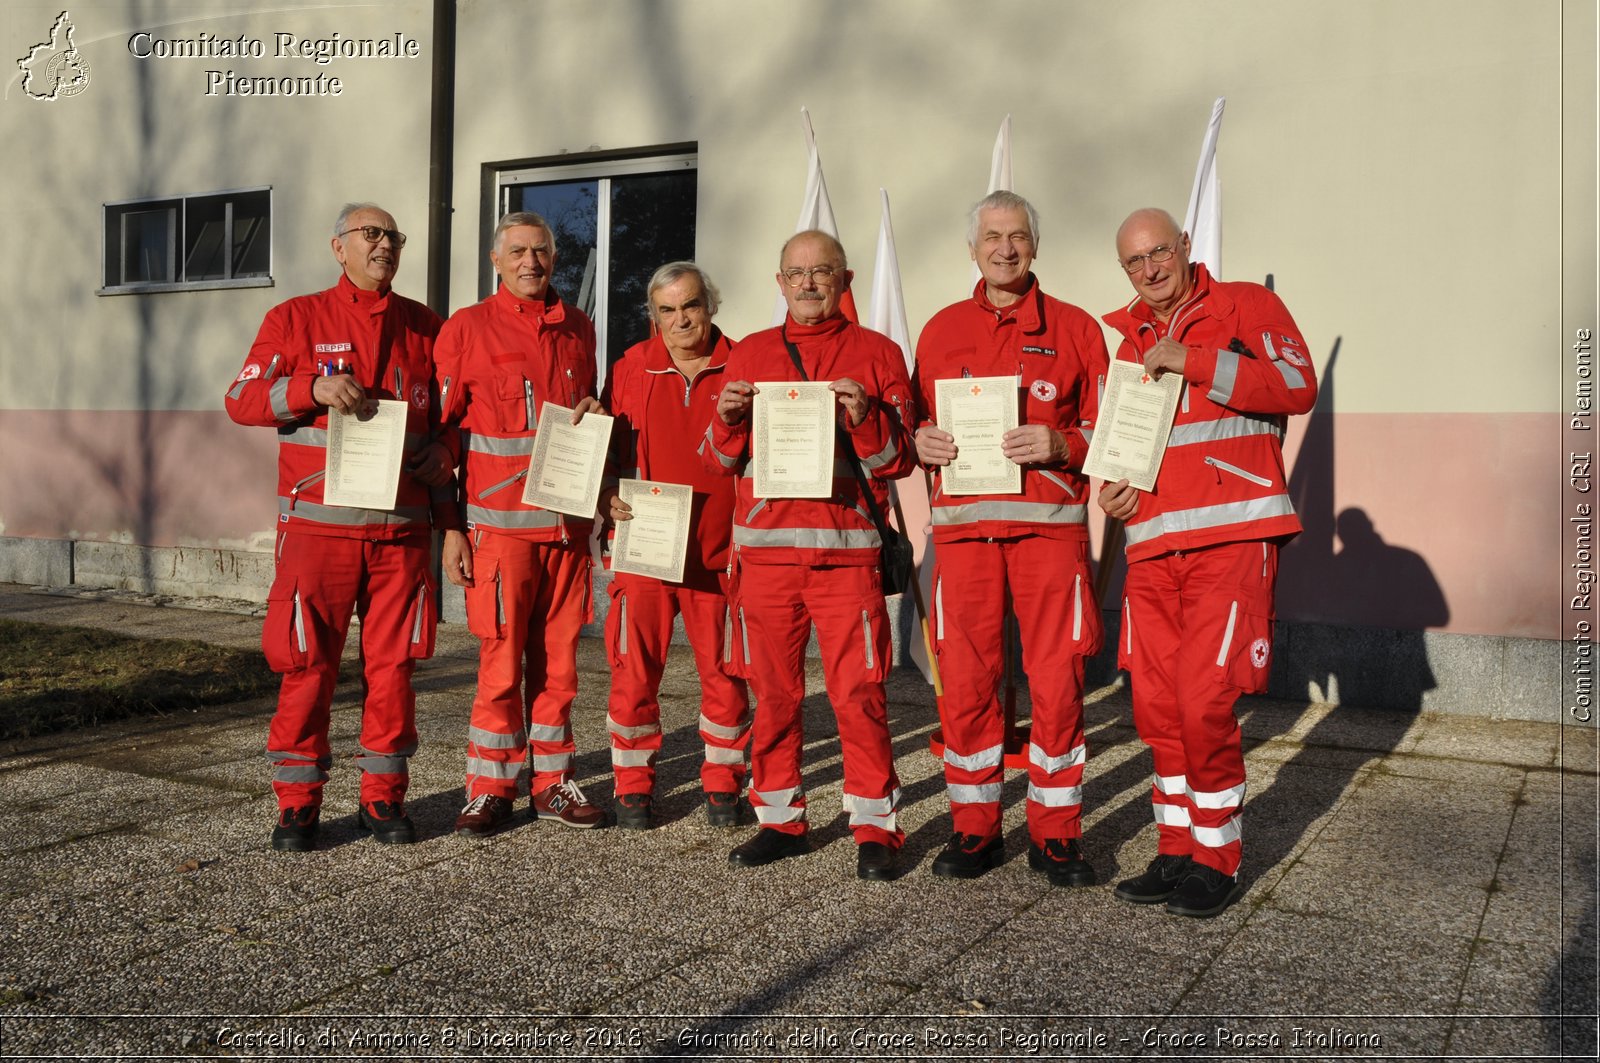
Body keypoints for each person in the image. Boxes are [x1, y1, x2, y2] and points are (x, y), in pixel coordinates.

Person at [1098, 207, 1317, 917]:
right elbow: (1127, 441)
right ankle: (1177, 847)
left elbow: (1296, 384)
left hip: (1233, 533)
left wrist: (1191, 359)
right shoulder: (1127, 336)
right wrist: (1113, 490)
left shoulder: (1246, 304)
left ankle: (1217, 854)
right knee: (1158, 706)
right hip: (1153, 543)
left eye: (1160, 251)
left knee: (1200, 700)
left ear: (1186, 246)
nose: (1150, 268)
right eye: (1135, 261)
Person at [225, 203, 451, 851]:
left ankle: (383, 800)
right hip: (318, 537)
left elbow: (452, 418)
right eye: (370, 234)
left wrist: (447, 455)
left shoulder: (426, 328)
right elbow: (239, 399)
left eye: (393, 236)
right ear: (338, 247)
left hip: (401, 536)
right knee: (306, 666)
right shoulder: (293, 319)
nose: (384, 245)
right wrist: (308, 390)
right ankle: (298, 803)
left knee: (396, 669)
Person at [703, 230, 916, 881]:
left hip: (845, 560)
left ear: (844, 277)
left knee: (860, 693)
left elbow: (898, 460)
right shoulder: (751, 354)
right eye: (796, 272)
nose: (808, 283)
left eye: (821, 271)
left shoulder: (878, 354)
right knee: (773, 695)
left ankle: (876, 824)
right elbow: (717, 460)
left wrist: (866, 419)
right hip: (766, 563)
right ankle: (780, 819)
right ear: (779, 281)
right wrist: (730, 418)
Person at [911, 191, 1109, 885]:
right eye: (991, 236)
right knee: (966, 685)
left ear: (1034, 245)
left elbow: (1113, 434)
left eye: (1017, 235)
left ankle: (1056, 832)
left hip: (1048, 539)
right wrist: (919, 439)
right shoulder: (938, 331)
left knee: (1057, 682)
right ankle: (975, 828)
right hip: (964, 539)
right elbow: (911, 426)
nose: (1004, 248)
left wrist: (1064, 441)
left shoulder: (1079, 329)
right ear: (972, 249)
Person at [435, 211, 607, 836]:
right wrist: (450, 526)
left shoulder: (579, 327)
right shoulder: (467, 329)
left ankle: (553, 782)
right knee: (500, 664)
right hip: (499, 532)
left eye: (541, 251)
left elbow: (585, 415)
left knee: (560, 666)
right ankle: (489, 787)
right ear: (496, 260)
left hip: (566, 532)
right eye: (518, 252)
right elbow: (444, 437)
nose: (531, 262)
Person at [600, 262, 751, 829]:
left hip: (721, 546)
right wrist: (607, 489)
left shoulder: (747, 364)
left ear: (710, 305)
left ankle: (722, 781)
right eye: (667, 310)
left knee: (726, 671)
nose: (681, 319)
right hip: (646, 541)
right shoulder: (630, 367)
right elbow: (611, 447)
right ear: (653, 315)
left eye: (691, 305)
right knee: (633, 669)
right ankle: (633, 783)